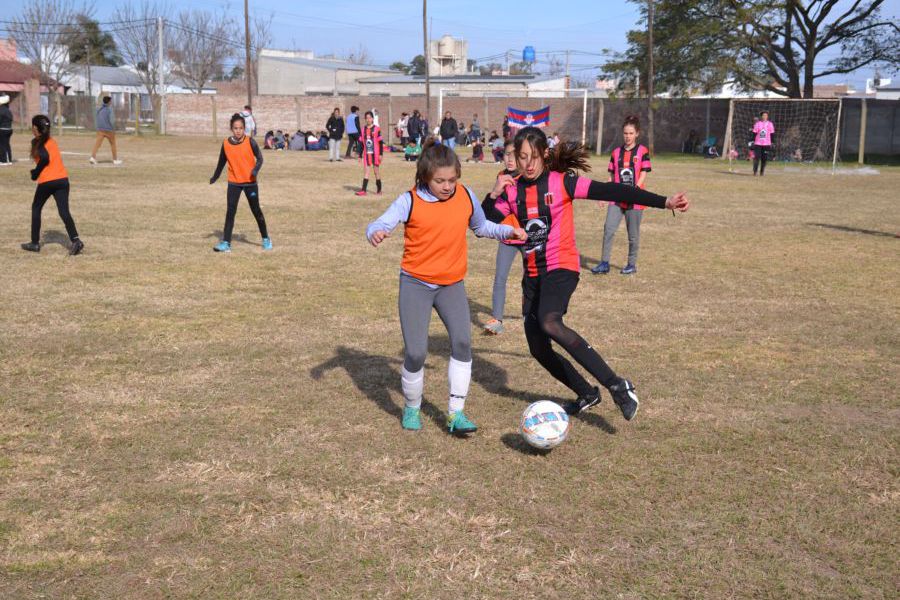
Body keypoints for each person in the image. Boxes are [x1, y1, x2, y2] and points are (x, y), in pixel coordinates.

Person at [483, 126, 689, 421]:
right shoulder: (512, 190)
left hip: (561, 266)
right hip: (532, 274)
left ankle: (618, 385)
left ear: (543, 155)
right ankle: (587, 393)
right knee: (538, 348)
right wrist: (493, 193)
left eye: (532, 157)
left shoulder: (561, 183)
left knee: (550, 322)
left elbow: (614, 189)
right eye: (521, 157)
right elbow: (482, 222)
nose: (527, 164)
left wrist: (664, 201)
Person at [365, 139, 526, 433]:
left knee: (463, 343)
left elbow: (481, 226)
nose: (448, 186)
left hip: (451, 284)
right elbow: (378, 224)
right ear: (425, 176)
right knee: (415, 353)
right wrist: (376, 232)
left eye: (452, 179)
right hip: (416, 284)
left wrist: (507, 231)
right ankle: (412, 407)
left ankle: (455, 413)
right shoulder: (409, 200)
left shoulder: (465, 195)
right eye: (440, 180)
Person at [591, 115, 652, 276]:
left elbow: (644, 172)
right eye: (625, 133)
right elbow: (611, 176)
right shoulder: (616, 152)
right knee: (608, 230)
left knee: (633, 235)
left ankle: (631, 264)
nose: (628, 136)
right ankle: (604, 263)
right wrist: (604, 195)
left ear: (637, 133)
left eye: (631, 133)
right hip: (616, 199)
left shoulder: (642, 151)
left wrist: (636, 189)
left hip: (635, 200)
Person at [208, 113, 272, 253]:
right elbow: (221, 163)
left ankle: (266, 238)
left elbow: (260, 159)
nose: (238, 131)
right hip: (234, 183)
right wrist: (215, 176)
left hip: (250, 183)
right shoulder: (226, 144)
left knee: (256, 211)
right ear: (231, 129)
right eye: (235, 128)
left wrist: (254, 171)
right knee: (230, 212)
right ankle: (226, 243)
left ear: (244, 129)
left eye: (241, 128)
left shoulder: (250, 142)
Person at [21, 115, 84, 255]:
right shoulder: (52, 141)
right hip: (62, 179)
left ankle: (34, 243)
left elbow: (44, 158)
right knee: (64, 212)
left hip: (47, 181)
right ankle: (76, 240)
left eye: (33, 126)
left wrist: (36, 173)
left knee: (36, 208)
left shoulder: (37, 142)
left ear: (35, 128)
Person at [482, 140, 522, 335]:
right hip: (508, 235)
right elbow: (492, 212)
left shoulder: (529, 176)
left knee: (532, 278)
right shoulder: (501, 176)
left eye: (515, 155)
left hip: (528, 236)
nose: (510, 159)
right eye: (507, 154)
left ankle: (530, 313)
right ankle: (497, 319)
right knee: (500, 277)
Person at [355, 111, 383, 196]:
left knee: (376, 172)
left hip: (376, 154)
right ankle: (363, 190)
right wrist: (359, 155)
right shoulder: (363, 130)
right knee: (366, 172)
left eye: (369, 118)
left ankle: (379, 190)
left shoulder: (377, 129)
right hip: (367, 154)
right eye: (366, 118)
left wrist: (381, 154)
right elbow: (361, 143)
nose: (368, 119)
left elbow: (380, 142)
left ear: (372, 119)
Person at [90, 96, 122, 165]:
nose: (111, 102)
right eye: (111, 101)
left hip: (100, 129)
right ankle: (115, 160)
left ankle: (92, 157)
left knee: (97, 144)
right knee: (113, 144)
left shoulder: (99, 109)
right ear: (109, 102)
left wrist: (97, 127)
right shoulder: (110, 109)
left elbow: (95, 117)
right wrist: (114, 128)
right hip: (109, 130)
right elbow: (112, 120)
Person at [752, 110, 774, 176]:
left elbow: (772, 134)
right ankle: (755, 171)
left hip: (766, 144)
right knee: (756, 158)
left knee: (764, 158)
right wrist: (752, 141)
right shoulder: (758, 123)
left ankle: (762, 172)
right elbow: (754, 133)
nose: (764, 116)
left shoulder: (770, 124)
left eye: (766, 115)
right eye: (763, 115)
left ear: (767, 116)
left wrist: (772, 142)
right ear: (761, 116)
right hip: (758, 143)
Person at [0, 94, 13, 165]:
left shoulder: (1, 110)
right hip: (9, 129)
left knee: (2, 145)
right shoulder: (8, 110)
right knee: (6, 144)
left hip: (2, 129)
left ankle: (4, 160)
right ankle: (9, 160)